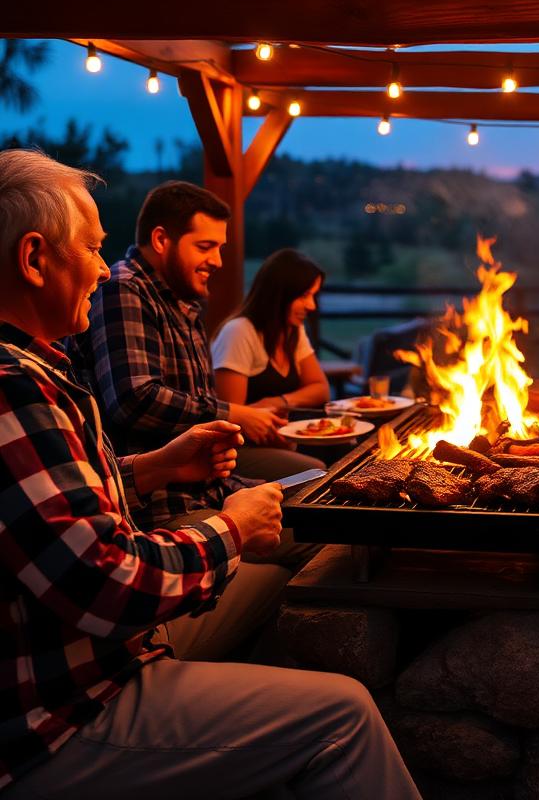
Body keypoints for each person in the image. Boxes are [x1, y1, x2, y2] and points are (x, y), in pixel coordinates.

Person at [0, 149, 420, 799]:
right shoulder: (16, 389)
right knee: (346, 713)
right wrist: (229, 529)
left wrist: (149, 466)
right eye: (88, 248)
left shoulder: (38, 378)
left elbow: (47, 505)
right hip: (64, 716)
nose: (97, 268)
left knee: (308, 519)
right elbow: (105, 583)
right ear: (33, 260)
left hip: (103, 658)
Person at [71, 181, 321, 534]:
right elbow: (134, 399)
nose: (217, 261)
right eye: (206, 247)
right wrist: (233, 414)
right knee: (322, 532)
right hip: (162, 508)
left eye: (220, 248)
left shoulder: (181, 302)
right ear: (161, 240)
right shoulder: (124, 289)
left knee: (321, 493)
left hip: (208, 490)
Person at [212, 248, 330, 411]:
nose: (312, 305)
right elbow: (230, 414)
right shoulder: (239, 331)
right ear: (279, 294)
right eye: (304, 295)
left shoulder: (293, 329)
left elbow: (321, 389)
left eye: (313, 296)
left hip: (287, 434)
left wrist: (278, 402)